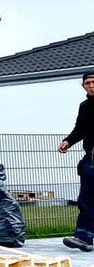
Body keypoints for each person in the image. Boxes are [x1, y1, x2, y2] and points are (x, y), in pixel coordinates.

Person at [58, 72, 94, 251]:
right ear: (83, 86)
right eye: (88, 83)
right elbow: (80, 128)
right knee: (86, 200)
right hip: (91, 161)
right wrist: (68, 141)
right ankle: (83, 238)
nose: (91, 85)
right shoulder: (85, 106)